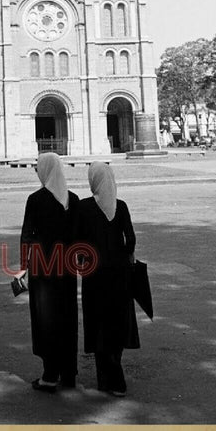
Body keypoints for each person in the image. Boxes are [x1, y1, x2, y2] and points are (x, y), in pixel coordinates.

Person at [20, 152, 80, 392]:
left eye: (38, 167)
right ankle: (68, 374)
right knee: (66, 318)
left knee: (46, 321)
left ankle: (50, 375)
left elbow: (27, 236)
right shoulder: (73, 200)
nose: (36, 171)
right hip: (67, 268)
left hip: (43, 269)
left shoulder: (35, 200)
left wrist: (23, 267)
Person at [78, 162, 139, 397]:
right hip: (120, 273)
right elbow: (131, 240)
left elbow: (78, 242)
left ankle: (111, 379)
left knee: (99, 323)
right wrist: (123, 255)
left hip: (94, 273)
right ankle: (112, 375)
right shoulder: (121, 206)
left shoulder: (84, 207)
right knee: (116, 322)